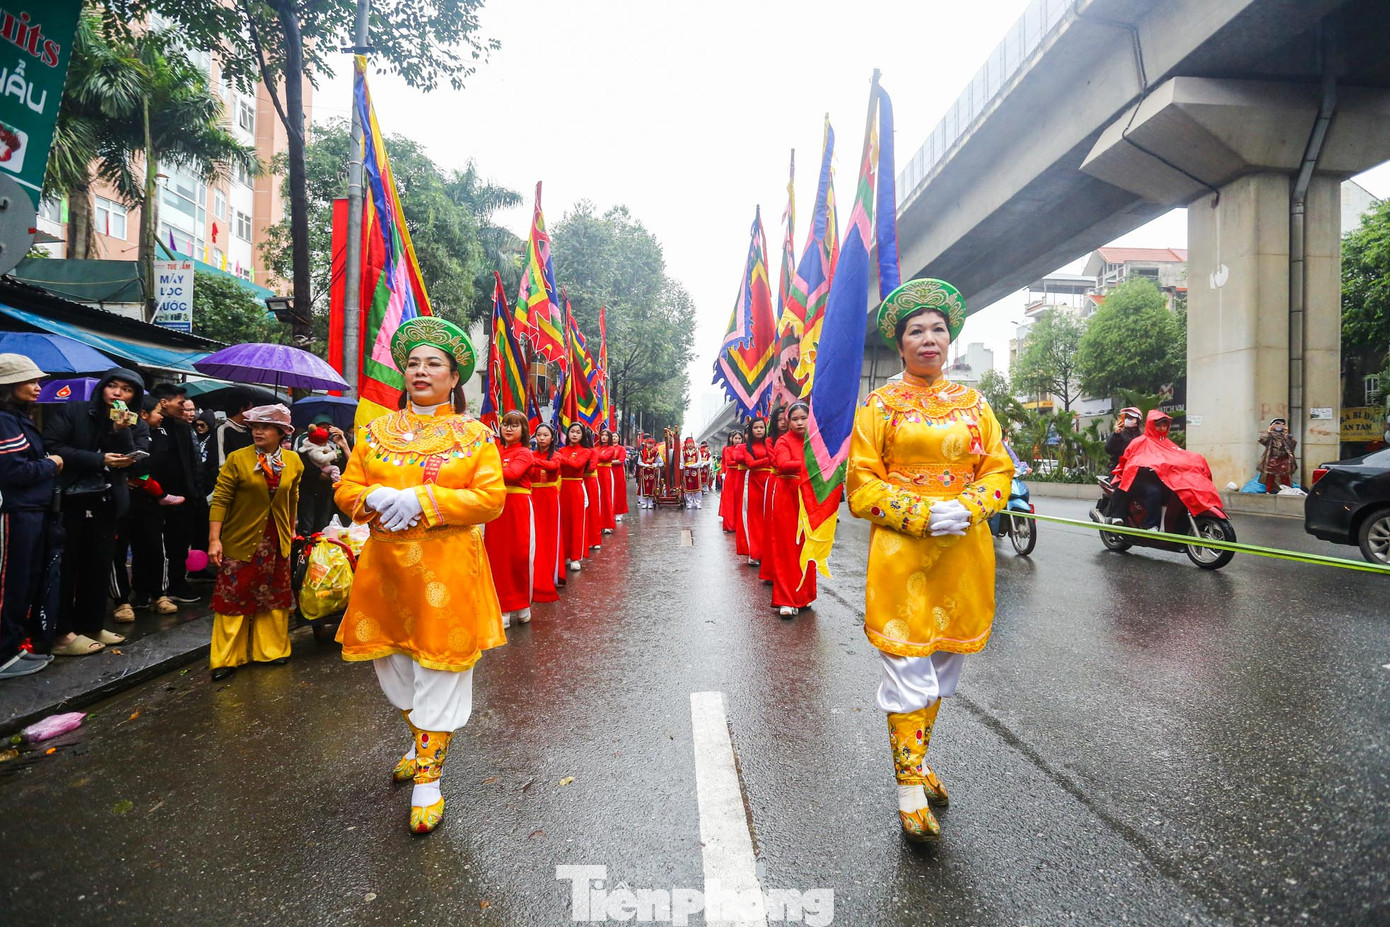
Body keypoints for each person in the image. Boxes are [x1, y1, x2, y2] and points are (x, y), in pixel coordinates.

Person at [846, 278, 1012, 844]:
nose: (928, 338)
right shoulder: (879, 405)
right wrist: (917, 513)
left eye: (938, 329)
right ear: (900, 344)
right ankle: (909, 790)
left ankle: (916, 762)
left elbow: (999, 470)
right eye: (916, 330)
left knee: (942, 671)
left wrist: (968, 506)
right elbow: (860, 487)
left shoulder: (975, 404)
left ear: (950, 339)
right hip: (902, 554)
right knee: (907, 668)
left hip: (963, 552)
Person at [334, 316, 505, 835]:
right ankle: (420, 738)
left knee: (441, 671)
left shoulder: (474, 437)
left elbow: (490, 499)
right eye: (412, 363)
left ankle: (429, 778)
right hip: (385, 571)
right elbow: (345, 490)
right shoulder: (374, 432)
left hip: (447, 570)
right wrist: (372, 498)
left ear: (454, 378)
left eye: (434, 364)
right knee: (394, 668)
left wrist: (425, 499)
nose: (420, 371)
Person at [44, 367, 144, 656]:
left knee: (98, 565)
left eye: (126, 390)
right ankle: (61, 632)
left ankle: (91, 624)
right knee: (66, 567)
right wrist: (98, 459)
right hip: (69, 501)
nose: (118, 393)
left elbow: (137, 461)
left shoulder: (133, 422)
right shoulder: (74, 410)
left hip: (107, 501)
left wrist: (121, 433)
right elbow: (51, 445)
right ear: (102, 388)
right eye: (113, 386)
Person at [206, 405, 302, 681]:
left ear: (281, 433)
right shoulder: (237, 459)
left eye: (266, 427)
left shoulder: (294, 461)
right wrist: (214, 539)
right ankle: (226, 659)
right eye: (254, 427)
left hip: (278, 540)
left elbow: (292, 498)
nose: (258, 431)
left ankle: (271, 651)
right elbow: (221, 499)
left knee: (275, 596)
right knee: (233, 597)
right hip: (241, 539)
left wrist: (292, 529)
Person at [0, 355, 62, 679]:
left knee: (23, 583)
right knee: (9, 584)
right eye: (30, 381)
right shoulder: (5, 420)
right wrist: (52, 463)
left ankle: (12, 648)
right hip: (14, 512)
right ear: (9, 386)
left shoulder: (18, 418)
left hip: (31, 510)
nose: (38, 387)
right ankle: (3, 654)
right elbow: (13, 470)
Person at [122, 397, 181, 616]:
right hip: (127, 498)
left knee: (155, 547)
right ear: (144, 414)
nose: (161, 418)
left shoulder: (161, 436)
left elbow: (151, 463)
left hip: (151, 501)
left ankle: (159, 594)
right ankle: (134, 595)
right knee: (131, 551)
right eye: (158, 413)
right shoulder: (124, 432)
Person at [149, 383, 203, 604]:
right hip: (150, 497)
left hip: (183, 497)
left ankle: (177, 585)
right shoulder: (145, 425)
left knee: (179, 544)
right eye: (181, 403)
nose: (185, 408)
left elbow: (194, 461)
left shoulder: (182, 428)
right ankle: (151, 590)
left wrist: (195, 492)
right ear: (164, 402)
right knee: (153, 546)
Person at [484, 410, 534, 629]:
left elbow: (512, 474)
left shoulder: (524, 453)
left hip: (517, 508)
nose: (508, 428)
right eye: (505, 424)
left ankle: (522, 603)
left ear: (523, 430)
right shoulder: (496, 451)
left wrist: (487, 464)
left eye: (514, 425)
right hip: (497, 508)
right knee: (496, 557)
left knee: (519, 556)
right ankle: (502, 607)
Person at [771, 402, 817, 618]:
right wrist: (810, 462)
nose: (799, 422)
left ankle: (804, 596)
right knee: (786, 549)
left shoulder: (815, 440)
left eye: (803, 418)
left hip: (808, 500)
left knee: (807, 549)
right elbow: (782, 464)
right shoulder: (783, 441)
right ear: (788, 422)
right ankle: (785, 600)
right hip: (787, 500)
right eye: (795, 419)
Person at [293, 413, 351, 534]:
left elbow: (345, 463)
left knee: (323, 524)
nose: (325, 429)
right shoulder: (303, 440)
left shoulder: (333, 442)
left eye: (328, 427)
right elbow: (300, 462)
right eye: (321, 426)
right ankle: (303, 550)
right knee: (306, 524)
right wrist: (318, 474)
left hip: (326, 491)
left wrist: (343, 443)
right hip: (307, 489)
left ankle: (319, 550)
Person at [529, 423, 563, 601]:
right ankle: (534, 574)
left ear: (552, 438)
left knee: (549, 536)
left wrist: (531, 460)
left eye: (545, 435)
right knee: (534, 536)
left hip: (549, 498)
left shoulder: (557, 455)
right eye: (539, 435)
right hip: (532, 497)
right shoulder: (530, 454)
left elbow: (552, 467)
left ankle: (549, 572)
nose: (541, 438)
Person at [758, 405, 788, 584]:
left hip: (796, 485)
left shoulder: (800, 438)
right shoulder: (770, 441)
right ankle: (771, 571)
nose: (784, 422)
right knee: (773, 527)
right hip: (777, 483)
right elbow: (776, 462)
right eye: (780, 419)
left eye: (786, 418)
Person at [558, 423, 593, 569]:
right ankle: (564, 554)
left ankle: (575, 557)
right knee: (563, 521)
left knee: (576, 522)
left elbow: (577, 465)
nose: (574, 434)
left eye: (578, 432)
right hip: (561, 488)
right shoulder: (561, 450)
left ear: (582, 435)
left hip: (576, 487)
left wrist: (560, 459)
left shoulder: (586, 451)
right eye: (572, 431)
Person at [742, 418, 773, 567]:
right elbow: (750, 464)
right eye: (756, 427)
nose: (759, 430)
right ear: (751, 430)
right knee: (755, 519)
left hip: (770, 482)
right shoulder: (747, 447)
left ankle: (768, 554)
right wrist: (768, 459)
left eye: (762, 427)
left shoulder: (770, 443)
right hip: (754, 483)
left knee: (769, 519)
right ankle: (755, 553)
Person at [1257, 417, 1297, 494]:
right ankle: (1269, 490)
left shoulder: (1287, 436)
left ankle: (1287, 490)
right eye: (1277, 424)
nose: (1280, 426)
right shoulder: (1270, 435)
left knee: (1285, 476)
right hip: (1272, 458)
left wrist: (1286, 434)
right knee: (1270, 475)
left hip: (1284, 458)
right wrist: (1269, 431)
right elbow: (1262, 440)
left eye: (1282, 424)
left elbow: (1292, 444)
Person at [720, 431, 745, 532]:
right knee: (730, 500)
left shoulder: (744, 448)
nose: (738, 440)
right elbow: (729, 463)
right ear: (731, 439)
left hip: (740, 475)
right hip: (731, 476)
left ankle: (740, 525)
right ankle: (730, 525)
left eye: (739, 438)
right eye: (736, 438)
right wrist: (742, 461)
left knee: (740, 500)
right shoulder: (728, 449)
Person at [583, 427, 603, 553]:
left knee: (593, 509)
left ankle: (595, 539)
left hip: (590, 481)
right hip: (579, 481)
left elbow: (591, 467)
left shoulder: (593, 452)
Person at [596, 428, 618, 533]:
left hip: (606, 474)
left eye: (606, 435)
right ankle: (598, 523)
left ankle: (608, 524)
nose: (604, 437)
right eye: (602, 435)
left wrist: (594, 454)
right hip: (596, 474)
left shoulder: (611, 448)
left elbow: (605, 457)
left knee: (606, 497)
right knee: (597, 498)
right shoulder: (597, 448)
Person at [637, 436, 660, 509]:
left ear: (654, 445)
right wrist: (645, 464)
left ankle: (650, 502)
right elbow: (639, 462)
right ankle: (644, 503)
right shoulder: (641, 452)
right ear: (646, 444)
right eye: (648, 443)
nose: (649, 445)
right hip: (644, 471)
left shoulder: (656, 453)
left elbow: (660, 463)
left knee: (652, 487)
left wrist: (655, 465)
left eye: (651, 444)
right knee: (643, 487)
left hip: (652, 472)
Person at [611, 435, 630, 523]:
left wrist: (607, 461)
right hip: (608, 471)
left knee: (619, 491)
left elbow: (620, 460)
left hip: (618, 472)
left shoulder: (621, 448)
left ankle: (619, 513)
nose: (614, 438)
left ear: (619, 438)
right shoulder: (607, 447)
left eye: (616, 436)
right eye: (612, 436)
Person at [681, 437, 703, 508]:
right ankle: (689, 503)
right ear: (686, 444)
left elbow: (700, 462)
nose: (690, 445)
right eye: (688, 443)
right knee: (688, 487)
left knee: (697, 487)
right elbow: (682, 462)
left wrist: (693, 465)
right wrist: (682, 467)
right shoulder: (683, 452)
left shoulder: (697, 452)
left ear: (693, 444)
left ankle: (698, 502)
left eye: (691, 443)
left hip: (695, 471)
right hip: (687, 471)